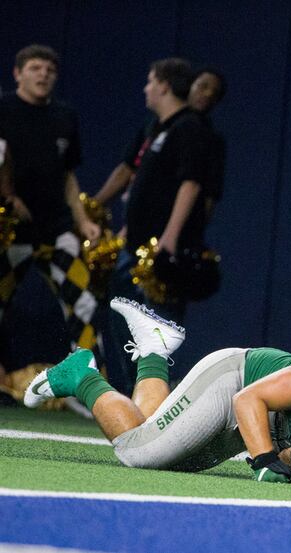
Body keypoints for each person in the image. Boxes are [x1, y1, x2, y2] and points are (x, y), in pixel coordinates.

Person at [24, 297, 291, 490]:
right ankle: (81, 374)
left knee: (159, 448)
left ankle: (152, 349)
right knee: (138, 453)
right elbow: (249, 401)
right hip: (237, 383)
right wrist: (263, 460)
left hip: (260, 427)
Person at [100, 58, 215, 395]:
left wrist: (169, 238)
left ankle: (151, 397)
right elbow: (141, 187)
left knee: (158, 325)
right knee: (121, 317)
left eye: (150, 81)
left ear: (164, 85)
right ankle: (127, 393)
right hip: (133, 246)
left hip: (161, 253)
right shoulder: (156, 129)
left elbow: (191, 185)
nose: (146, 89)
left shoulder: (190, 128)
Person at [0, 44, 102, 366]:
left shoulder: (65, 116)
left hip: (56, 228)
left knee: (84, 304)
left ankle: (90, 385)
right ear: (17, 73)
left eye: (50, 69)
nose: (43, 74)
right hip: (11, 232)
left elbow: (68, 176)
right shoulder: (3, 110)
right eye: (34, 67)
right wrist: (9, 197)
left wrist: (82, 219)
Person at [94, 67, 227, 219]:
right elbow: (127, 168)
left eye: (214, 93)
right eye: (202, 86)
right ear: (189, 85)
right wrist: (94, 207)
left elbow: (205, 192)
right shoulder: (156, 124)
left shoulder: (211, 140)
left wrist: (183, 233)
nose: (208, 94)